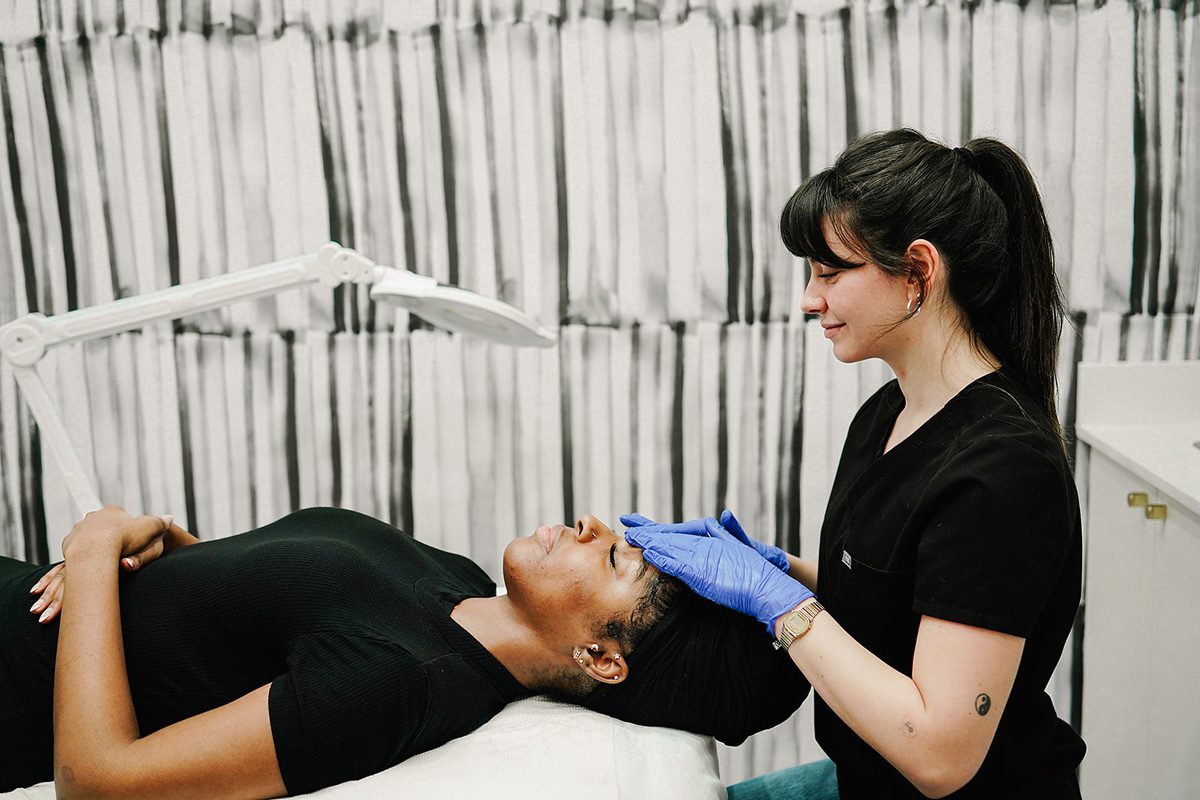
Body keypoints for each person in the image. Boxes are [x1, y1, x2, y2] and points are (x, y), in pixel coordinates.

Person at [625, 128, 1085, 799]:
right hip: (860, 778)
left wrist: (781, 606)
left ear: (919, 273)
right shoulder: (886, 415)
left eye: (830, 272)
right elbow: (899, 598)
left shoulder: (1003, 473)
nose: (811, 300)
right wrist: (776, 570)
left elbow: (938, 755)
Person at [0, 505, 809, 797]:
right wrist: (171, 543)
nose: (597, 523)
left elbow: (98, 782)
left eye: (615, 561)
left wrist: (97, 545)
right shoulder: (455, 585)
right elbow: (229, 633)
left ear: (602, 659)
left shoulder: (394, 682)